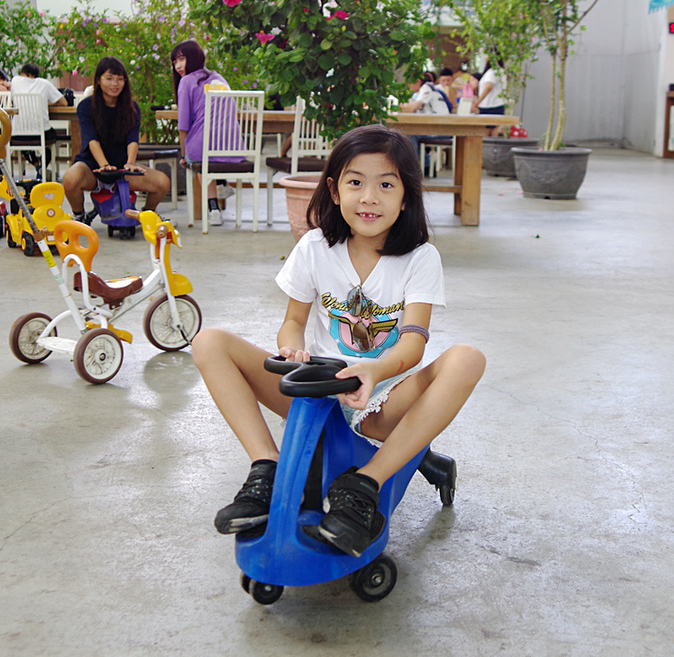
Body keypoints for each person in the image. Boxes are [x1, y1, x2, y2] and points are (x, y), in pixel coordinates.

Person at [191, 125, 485, 557]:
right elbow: (293, 321)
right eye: (355, 182)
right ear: (334, 190)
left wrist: (374, 370)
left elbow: (413, 346)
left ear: (406, 197)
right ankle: (265, 466)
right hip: (314, 390)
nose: (369, 197)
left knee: (467, 359)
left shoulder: (420, 258)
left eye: (386, 185)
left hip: (380, 397)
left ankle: (366, 483)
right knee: (208, 342)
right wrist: (292, 349)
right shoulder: (314, 247)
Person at [62, 56, 170, 220]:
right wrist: (104, 165)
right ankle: (79, 216)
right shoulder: (86, 106)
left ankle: (146, 215)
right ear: (98, 80)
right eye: (109, 78)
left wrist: (131, 164)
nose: (115, 84)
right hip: (93, 168)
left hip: (122, 170)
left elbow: (133, 139)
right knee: (70, 178)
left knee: (162, 182)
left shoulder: (132, 108)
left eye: (120, 79)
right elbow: (91, 139)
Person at [171, 39, 242, 226]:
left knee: (198, 155)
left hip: (205, 150)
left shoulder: (186, 81)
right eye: (174, 61)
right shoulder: (219, 78)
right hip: (233, 147)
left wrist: (185, 156)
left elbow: (183, 125)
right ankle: (221, 183)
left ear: (194, 57)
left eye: (181, 59)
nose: (177, 65)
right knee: (207, 150)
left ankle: (214, 208)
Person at [476, 56, 507, 133]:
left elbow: (488, 87)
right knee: (494, 131)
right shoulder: (501, 71)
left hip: (489, 106)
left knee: (486, 132)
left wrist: (477, 103)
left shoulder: (492, 72)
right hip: (498, 104)